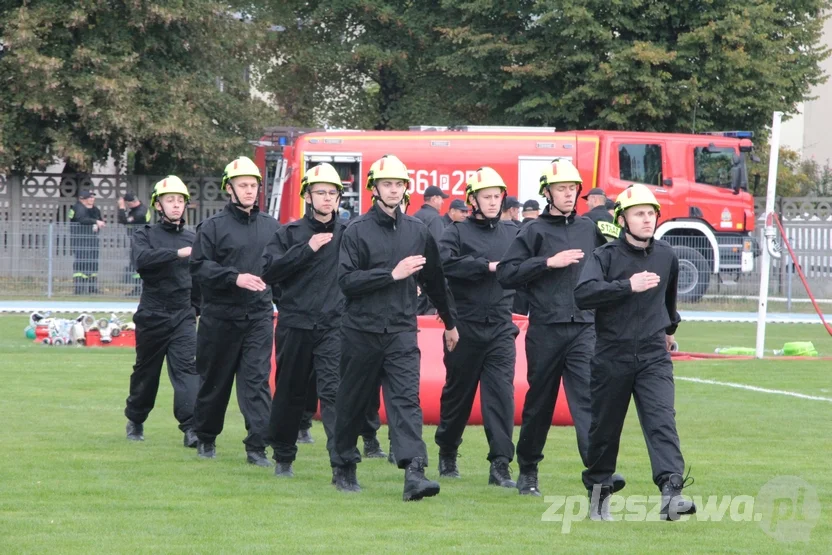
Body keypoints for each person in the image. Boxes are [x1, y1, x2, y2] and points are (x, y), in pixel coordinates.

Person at [330, 154, 459, 501]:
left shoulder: (418, 231)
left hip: (402, 331)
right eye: (387, 184)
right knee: (353, 402)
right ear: (375, 188)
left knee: (406, 401)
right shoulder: (356, 231)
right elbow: (347, 282)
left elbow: (435, 281)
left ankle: (414, 472)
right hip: (361, 331)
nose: (393, 189)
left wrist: (449, 322)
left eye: (398, 184)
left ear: (406, 189)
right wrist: (391, 274)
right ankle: (343, 466)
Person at [497, 159, 624, 497]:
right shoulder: (533, 231)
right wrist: (547, 263)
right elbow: (506, 273)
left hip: (584, 327)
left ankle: (599, 472)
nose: (568, 195)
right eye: (561, 189)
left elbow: (610, 266)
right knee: (540, 403)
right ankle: (528, 469)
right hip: (546, 329)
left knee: (589, 399)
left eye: (572, 189)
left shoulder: (589, 229)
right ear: (547, 192)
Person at [575, 184, 695, 521]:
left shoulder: (666, 255)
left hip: (654, 355)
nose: (646, 219)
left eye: (650, 213)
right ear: (623, 218)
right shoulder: (605, 256)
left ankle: (672, 492)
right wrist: (627, 286)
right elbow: (583, 295)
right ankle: (598, 493)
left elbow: (669, 303)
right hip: (612, 354)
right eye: (639, 213)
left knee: (662, 422)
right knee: (604, 430)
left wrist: (669, 332)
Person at [262, 162, 352, 478]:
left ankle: (342, 465)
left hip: (334, 327)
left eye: (332, 193)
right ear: (307, 196)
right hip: (294, 325)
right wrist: (307, 249)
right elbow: (270, 272)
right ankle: (284, 456)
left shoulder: (349, 234)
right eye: (320, 192)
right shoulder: (288, 234)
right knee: (289, 393)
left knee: (334, 394)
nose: (327, 198)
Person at [190, 156, 279, 467]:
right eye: (243, 185)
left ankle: (257, 447)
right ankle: (206, 436)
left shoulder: (272, 227)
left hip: (258, 317)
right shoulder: (212, 228)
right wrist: (234, 278)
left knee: (256, 381)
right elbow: (199, 267)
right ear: (229, 188)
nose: (249, 191)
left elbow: (281, 269)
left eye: (253, 185)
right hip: (220, 317)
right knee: (215, 381)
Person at [435, 167, 519, 489]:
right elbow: (445, 265)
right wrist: (486, 267)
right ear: (473, 199)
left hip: (500, 327)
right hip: (464, 327)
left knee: (501, 397)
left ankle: (500, 466)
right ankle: (447, 451)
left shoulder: (514, 233)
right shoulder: (455, 232)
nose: (494, 201)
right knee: (458, 395)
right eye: (487, 196)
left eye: (498, 196)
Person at [124, 176, 200, 447]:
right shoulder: (144, 234)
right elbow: (142, 262)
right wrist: (176, 254)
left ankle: (191, 428)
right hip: (152, 314)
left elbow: (200, 276)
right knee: (147, 373)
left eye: (180, 201)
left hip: (183, 314)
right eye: (170, 200)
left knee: (188, 371)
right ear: (158, 204)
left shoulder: (195, 238)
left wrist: (196, 307)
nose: (176, 205)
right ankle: (135, 418)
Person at [118, 191, 151, 295]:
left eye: (127, 204)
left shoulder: (140, 212)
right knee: (134, 264)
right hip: (137, 240)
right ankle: (137, 289)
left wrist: (121, 207)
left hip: (141, 242)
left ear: (130, 202)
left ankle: (139, 290)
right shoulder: (136, 209)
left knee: (138, 265)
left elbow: (124, 221)